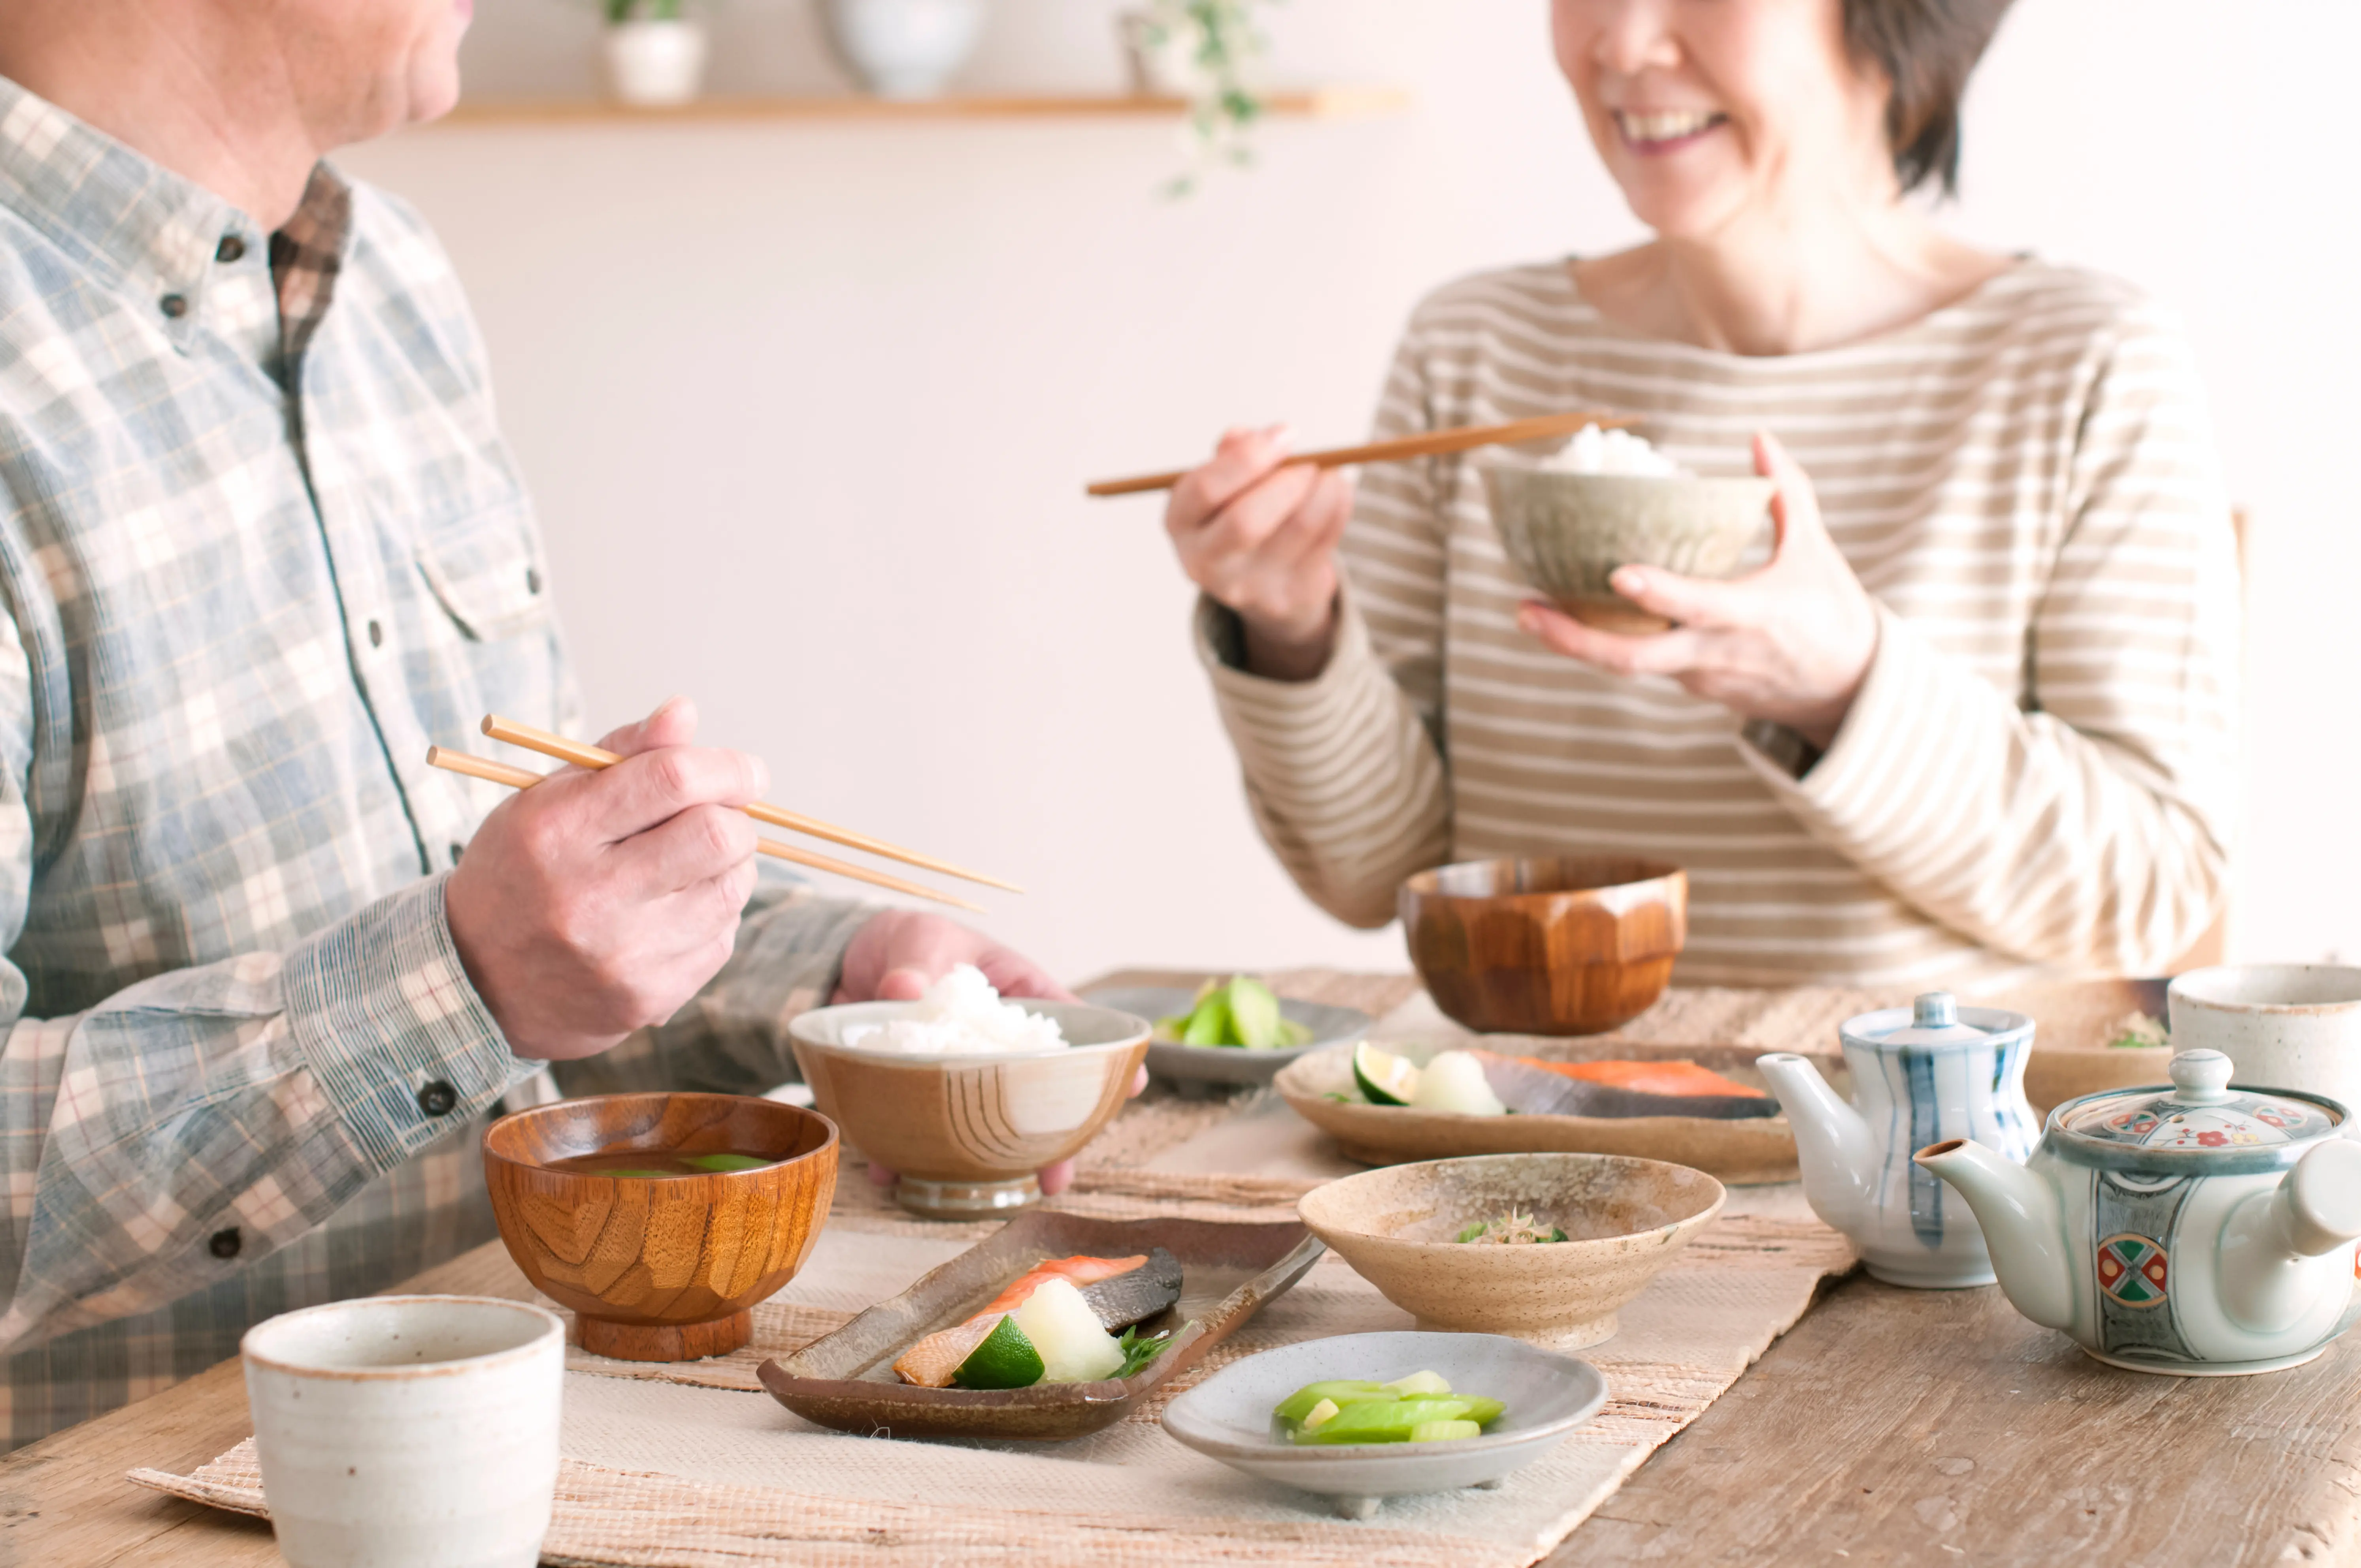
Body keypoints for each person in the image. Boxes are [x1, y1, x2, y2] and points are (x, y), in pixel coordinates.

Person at [0, 1, 1076, 1449]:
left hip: (508, 1446)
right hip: (135, 1508)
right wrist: (460, 982)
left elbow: (513, 924)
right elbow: (475, 966)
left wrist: (832, 977)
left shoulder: (387, 280)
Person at [1164, 0, 2236, 989]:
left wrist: (1843, 687)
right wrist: (1291, 631)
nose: (1623, 44)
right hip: (1510, 1150)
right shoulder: (1476, 349)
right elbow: (1371, 876)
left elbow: (2148, 899)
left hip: (1898, 1178)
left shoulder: (2084, 363)